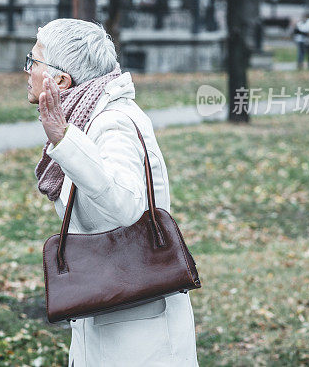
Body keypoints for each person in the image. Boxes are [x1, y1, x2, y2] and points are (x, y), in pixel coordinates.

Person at [27, 18, 198, 366]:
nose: (27, 70)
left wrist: (65, 141)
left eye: (34, 61)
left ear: (59, 79)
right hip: (111, 308)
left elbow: (126, 208)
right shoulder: (89, 116)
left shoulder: (112, 122)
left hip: (139, 337)